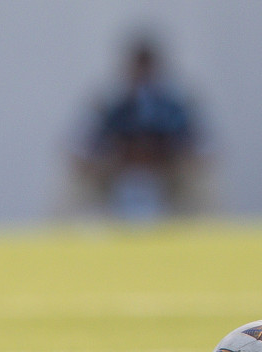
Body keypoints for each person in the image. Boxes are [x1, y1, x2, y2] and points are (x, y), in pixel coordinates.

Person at [70, 35, 207, 220]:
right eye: (138, 66)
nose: (143, 73)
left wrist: (165, 154)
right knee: (72, 185)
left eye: (147, 67)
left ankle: (207, 239)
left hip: (165, 172)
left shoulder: (174, 105)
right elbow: (84, 146)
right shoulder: (111, 104)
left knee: (204, 183)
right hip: (118, 171)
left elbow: (199, 145)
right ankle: (68, 242)